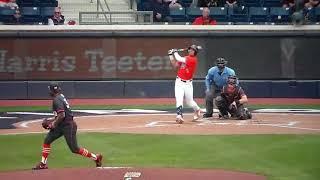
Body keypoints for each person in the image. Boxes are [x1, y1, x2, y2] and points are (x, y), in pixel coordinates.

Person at [33, 83, 103, 170]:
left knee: (74, 149)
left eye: (49, 90)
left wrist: (53, 124)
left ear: (52, 91)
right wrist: (52, 121)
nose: (49, 91)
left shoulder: (57, 100)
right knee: (47, 140)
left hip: (68, 126)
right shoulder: (60, 96)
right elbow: (59, 116)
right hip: (62, 124)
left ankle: (96, 158)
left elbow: (62, 115)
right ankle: (43, 164)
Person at [168, 45, 202, 124]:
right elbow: (175, 65)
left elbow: (179, 58)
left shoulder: (192, 59)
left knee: (189, 102)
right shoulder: (186, 58)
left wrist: (175, 51)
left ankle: (197, 109)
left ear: (195, 52)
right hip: (179, 82)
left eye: (192, 50)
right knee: (179, 99)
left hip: (188, 84)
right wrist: (170, 55)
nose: (190, 50)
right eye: (190, 49)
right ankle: (179, 116)